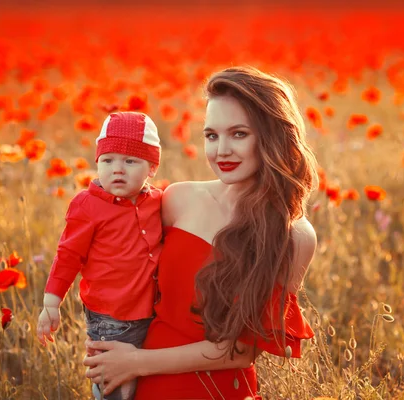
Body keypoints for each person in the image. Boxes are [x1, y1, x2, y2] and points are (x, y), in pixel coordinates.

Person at [83, 66, 318, 399]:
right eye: (211, 135)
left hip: (214, 390)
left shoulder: (293, 234)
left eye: (239, 134)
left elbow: (242, 350)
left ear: (272, 136)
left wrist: (138, 362)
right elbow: (129, 277)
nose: (221, 150)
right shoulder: (179, 199)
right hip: (139, 384)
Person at [36, 112, 163, 400]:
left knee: (145, 382)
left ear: (152, 167)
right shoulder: (87, 205)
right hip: (110, 318)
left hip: (152, 312)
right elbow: (67, 255)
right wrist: (51, 303)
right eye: (108, 161)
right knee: (115, 387)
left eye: (130, 161)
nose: (117, 169)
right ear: (97, 163)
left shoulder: (157, 201)